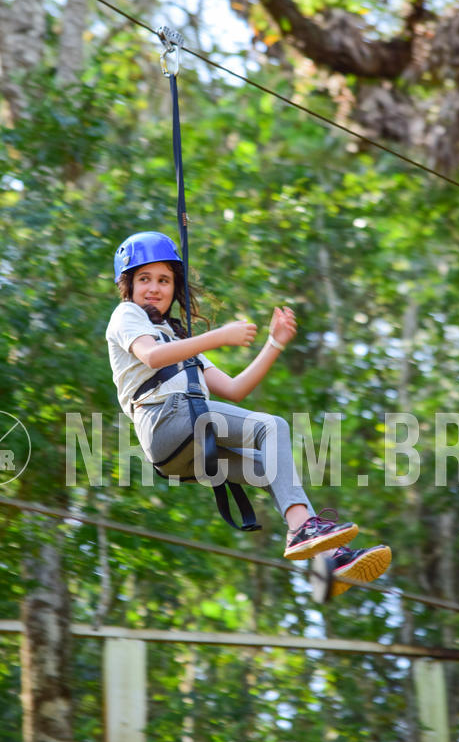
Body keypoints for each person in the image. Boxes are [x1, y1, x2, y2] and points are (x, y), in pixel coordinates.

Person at [106, 231, 391, 597]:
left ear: (174, 286)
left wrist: (274, 343)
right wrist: (220, 336)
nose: (154, 288)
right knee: (271, 427)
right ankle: (302, 530)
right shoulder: (126, 315)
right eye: (144, 279)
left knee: (269, 466)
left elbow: (236, 389)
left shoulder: (178, 339)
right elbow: (152, 357)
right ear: (127, 286)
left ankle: (329, 559)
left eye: (164, 280)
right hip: (166, 421)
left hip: (180, 451)